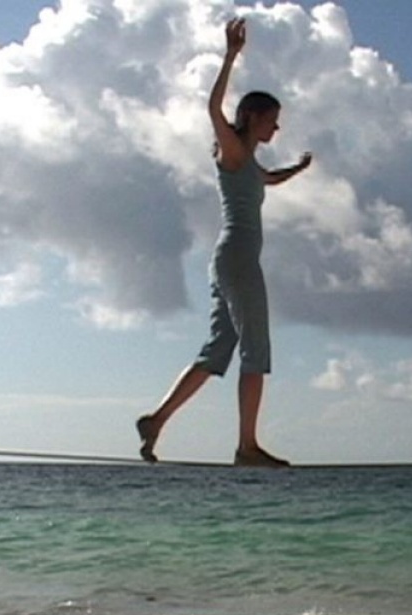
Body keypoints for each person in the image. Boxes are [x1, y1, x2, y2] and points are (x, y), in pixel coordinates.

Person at [136, 18, 311, 467]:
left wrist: (297, 169)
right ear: (253, 117)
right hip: (237, 261)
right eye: (272, 120)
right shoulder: (232, 150)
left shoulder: (250, 165)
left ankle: (155, 421)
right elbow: (213, 109)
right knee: (256, 347)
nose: (276, 128)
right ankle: (246, 446)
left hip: (228, 262)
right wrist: (231, 56)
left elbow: (269, 179)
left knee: (218, 350)